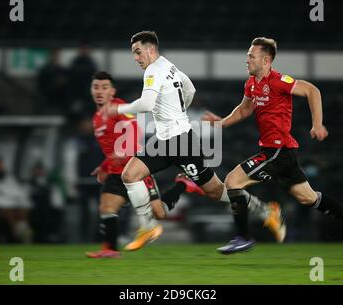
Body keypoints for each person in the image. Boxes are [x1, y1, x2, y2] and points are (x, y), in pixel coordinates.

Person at [102, 31, 286, 252]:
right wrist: (179, 110)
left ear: (151, 49)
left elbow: (147, 103)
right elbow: (190, 89)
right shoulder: (169, 66)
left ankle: (267, 211)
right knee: (130, 175)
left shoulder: (153, 71)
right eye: (134, 53)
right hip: (163, 141)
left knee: (215, 190)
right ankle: (148, 226)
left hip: (182, 143)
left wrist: (118, 108)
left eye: (138, 52)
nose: (136, 57)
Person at [202, 37, 343, 253]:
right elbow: (244, 109)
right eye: (247, 56)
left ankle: (243, 237)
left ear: (265, 60)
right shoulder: (252, 83)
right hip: (279, 152)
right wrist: (221, 123)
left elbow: (312, 91)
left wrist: (317, 124)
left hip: (277, 150)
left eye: (251, 56)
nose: (247, 60)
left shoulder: (279, 80)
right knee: (308, 198)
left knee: (232, 181)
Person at [86, 71, 205, 258]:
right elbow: (110, 149)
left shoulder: (120, 109)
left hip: (135, 170)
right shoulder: (97, 117)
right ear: (91, 91)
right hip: (116, 173)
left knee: (159, 214)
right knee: (107, 207)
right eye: (96, 87)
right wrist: (104, 166)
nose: (100, 91)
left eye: (104, 87)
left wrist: (125, 151)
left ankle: (182, 184)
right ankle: (110, 249)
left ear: (113, 91)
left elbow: (134, 131)